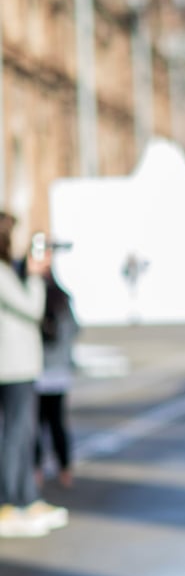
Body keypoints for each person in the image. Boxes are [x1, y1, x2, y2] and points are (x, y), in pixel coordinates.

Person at [0, 217, 69, 537]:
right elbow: (31, 307)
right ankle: (7, 505)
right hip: (10, 368)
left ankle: (26, 498)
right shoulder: (3, 274)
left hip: (20, 367)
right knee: (14, 438)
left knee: (24, 436)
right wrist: (36, 276)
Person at [35, 238, 80, 486]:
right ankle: (65, 470)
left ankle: (37, 470)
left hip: (38, 370)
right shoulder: (63, 299)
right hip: (58, 371)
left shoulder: (34, 299)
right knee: (57, 423)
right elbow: (75, 329)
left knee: (38, 425)